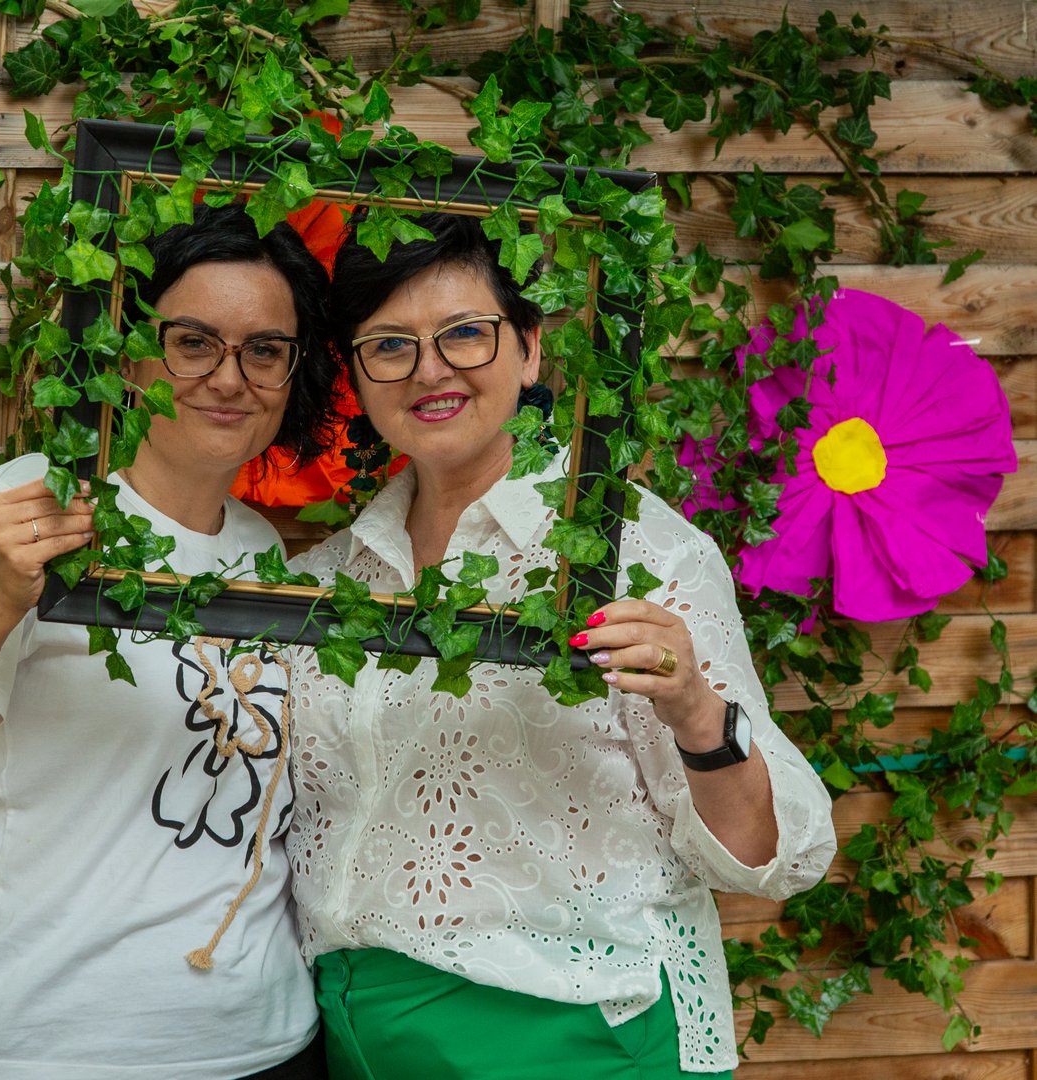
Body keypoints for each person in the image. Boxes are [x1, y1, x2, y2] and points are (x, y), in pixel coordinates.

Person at [282, 210, 837, 1078]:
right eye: (390, 345)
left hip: (579, 1035)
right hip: (355, 1035)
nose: (429, 370)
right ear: (355, 372)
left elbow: (771, 857)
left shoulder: (637, 554)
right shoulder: (321, 582)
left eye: (465, 333)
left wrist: (696, 709)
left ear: (531, 348)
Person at [0, 203, 338, 1080]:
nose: (230, 377)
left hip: (261, 1042)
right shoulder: (39, 503)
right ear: (131, 354)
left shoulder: (265, 552)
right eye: (193, 342)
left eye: (265, 350)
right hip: (41, 1042)